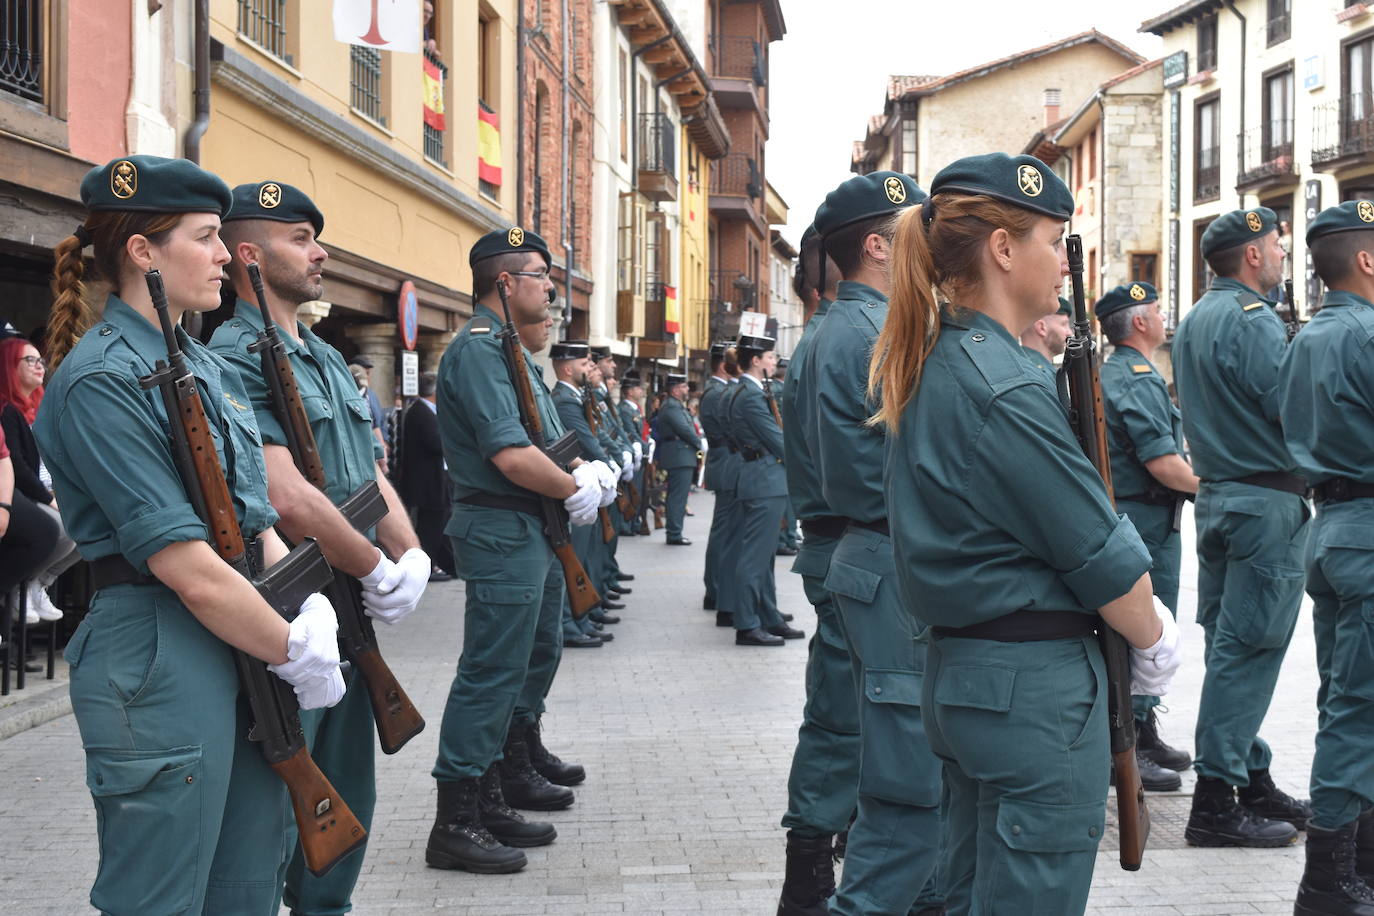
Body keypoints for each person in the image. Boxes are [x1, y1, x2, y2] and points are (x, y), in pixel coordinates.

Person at [34, 155, 347, 914]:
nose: (222, 255)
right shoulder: (101, 380)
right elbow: (186, 565)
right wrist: (291, 646)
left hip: (240, 633)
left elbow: (255, 521)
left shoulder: (203, 365)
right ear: (144, 251)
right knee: (162, 897)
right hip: (160, 653)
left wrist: (308, 602)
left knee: (245, 886)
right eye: (206, 237)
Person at [870, 153, 1180, 914]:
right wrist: (1154, 637)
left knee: (974, 893)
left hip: (971, 677)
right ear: (1004, 250)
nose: (1060, 261)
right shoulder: (1004, 386)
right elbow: (1103, 558)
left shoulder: (944, 359)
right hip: (1032, 694)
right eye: (1052, 239)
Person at [208, 179, 434, 914]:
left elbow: (366, 473)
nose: (320, 251)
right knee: (285, 795)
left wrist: (408, 555)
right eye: (300, 237)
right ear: (248, 253)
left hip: (350, 603)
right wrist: (374, 565)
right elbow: (288, 497)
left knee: (348, 785)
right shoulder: (235, 356)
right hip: (294, 599)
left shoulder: (328, 358)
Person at [427, 227, 613, 875]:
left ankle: (498, 785)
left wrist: (584, 474)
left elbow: (548, 440)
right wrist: (575, 489)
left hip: (530, 527)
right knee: (491, 671)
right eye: (540, 275)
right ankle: (456, 818)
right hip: (501, 528)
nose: (551, 288)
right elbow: (509, 455)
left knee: (533, 652)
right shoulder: (479, 351)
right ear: (506, 283)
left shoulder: (508, 349)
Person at [801, 171, 944, 915]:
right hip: (882, 554)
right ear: (879, 246)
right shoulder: (866, 330)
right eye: (920, 226)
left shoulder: (858, 325)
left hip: (871, 552)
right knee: (901, 765)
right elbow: (869, 474)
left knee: (873, 739)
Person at [1172, 206, 1313, 848]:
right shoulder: (1254, 323)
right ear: (1253, 255)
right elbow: (1293, 411)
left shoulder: (1197, 318)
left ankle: (1248, 774)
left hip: (1223, 498)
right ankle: (1216, 800)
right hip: (1264, 503)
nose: (1283, 257)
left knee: (1232, 651)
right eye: (1277, 247)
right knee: (1249, 652)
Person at [1279, 199, 1374, 914]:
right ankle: (1330, 882)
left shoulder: (1308, 336)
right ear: (1367, 260)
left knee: (1346, 700)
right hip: (1369, 529)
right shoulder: (1368, 334)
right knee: (1359, 710)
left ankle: (1356, 864)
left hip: (1333, 526)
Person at [776, 224, 861, 915]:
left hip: (841, 548)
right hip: (861, 549)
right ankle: (810, 876)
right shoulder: (853, 336)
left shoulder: (828, 336)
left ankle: (815, 866)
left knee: (844, 717)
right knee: (847, 721)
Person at [1096, 281, 1200, 794]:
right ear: (1139, 322)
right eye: (1157, 310)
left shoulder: (1116, 371)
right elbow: (1162, 463)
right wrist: (1215, 488)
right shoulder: (1136, 377)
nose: (1163, 317)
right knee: (1148, 633)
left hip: (1138, 518)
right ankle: (1129, 743)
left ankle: (1143, 729)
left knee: (1145, 630)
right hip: (1146, 522)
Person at [724, 336, 802, 648]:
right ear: (755, 360)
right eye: (769, 356)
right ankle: (747, 624)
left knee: (764, 555)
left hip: (761, 477)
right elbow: (777, 440)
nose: (773, 361)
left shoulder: (750, 391)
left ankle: (769, 616)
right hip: (764, 479)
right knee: (755, 558)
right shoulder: (750, 396)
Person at [0, 337, 80, 621]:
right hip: (27, 494)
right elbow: (18, 469)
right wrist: (50, 499)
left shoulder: (40, 408)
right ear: (10, 365)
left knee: (88, 526)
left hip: (45, 491)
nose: (39, 366)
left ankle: (37, 584)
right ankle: (21, 589)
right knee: (61, 528)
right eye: (29, 360)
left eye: (40, 360)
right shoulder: (7, 410)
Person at [549, 341, 614, 648]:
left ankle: (581, 618)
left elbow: (595, 432)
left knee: (584, 556)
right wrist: (602, 463)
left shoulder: (575, 397)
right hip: (575, 485)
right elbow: (582, 441)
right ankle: (570, 624)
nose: (591, 368)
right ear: (567, 368)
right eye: (585, 363)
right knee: (573, 558)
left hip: (583, 483)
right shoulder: (563, 400)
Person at [0, 423, 59, 649]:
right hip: (28, 490)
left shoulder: (29, 410)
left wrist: (3, 507)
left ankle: (34, 583)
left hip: (18, 490)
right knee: (48, 530)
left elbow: (4, 458)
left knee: (63, 530)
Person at [399, 372, 455, 578]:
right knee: (430, 528)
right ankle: (427, 569)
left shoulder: (429, 411)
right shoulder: (420, 412)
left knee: (439, 524)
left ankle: (448, 565)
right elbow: (436, 443)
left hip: (437, 480)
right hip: (427, 483)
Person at [699, 341, 740, 623]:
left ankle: (716, 589)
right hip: (725, 463)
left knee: (724, 531)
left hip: (725, 461)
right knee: (723, 533)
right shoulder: (716, 393)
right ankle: (714, 589)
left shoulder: (719, 390)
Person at [655, 373, 701, 545]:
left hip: (681, 454)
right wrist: (699, 443)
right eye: (684, 386)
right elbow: (684, 429)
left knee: (678, 495)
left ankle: (675, 531)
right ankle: (674, 533)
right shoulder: (672, 406)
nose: (687, 389)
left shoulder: (675, 405)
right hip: (679, 455)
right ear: (675, 390)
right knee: (678, 496)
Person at [773, 356, 799, 556]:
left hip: (778, 449)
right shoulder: (780, 390)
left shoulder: (773, 388)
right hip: (783, 448)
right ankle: (786, 538)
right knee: (786, 501)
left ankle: (787, 536)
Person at [349, 357, 390, 475]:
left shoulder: (371, 395)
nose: (367, 377)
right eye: (365, 373)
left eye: (368, 373)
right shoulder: (345, 396)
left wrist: (384, 442)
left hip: (376, 452)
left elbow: (378, 422)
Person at [1019, 295, 1072, 373]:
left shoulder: (1021, 366)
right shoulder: (1036, 373)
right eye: (1063, 324)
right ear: (1041, 328)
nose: (1070, 333)